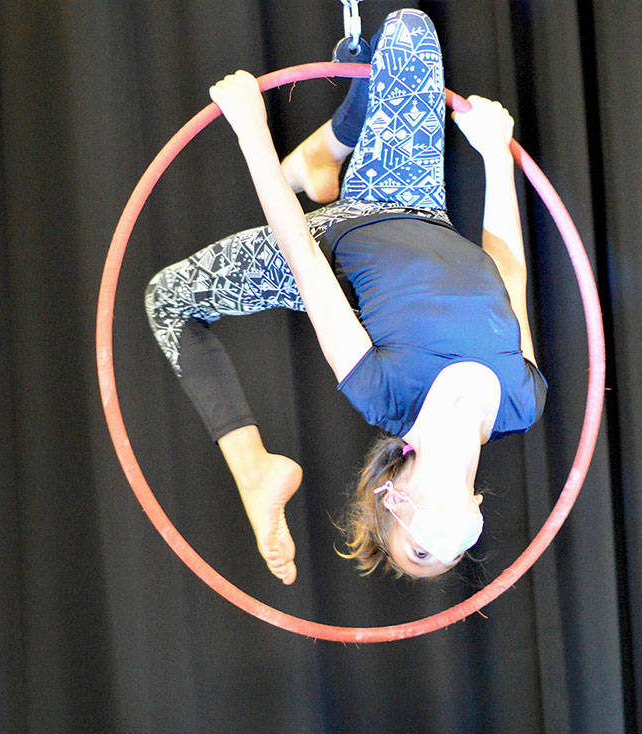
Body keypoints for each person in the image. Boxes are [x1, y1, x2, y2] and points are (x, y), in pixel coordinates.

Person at [146, 9, 544, 583]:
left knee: (168, 299)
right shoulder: (519, 404)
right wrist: (493, 155)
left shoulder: (385, 396)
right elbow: (507, 274)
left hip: (326, 248)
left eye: (421, 554)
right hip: (411, 196)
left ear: (393, 498)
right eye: (449, 559)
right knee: (408, 29)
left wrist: (253, 132)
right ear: (476, 513)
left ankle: (252, 466)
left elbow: (303, 261)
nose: (446, 550)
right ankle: (322, 154)